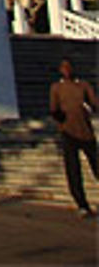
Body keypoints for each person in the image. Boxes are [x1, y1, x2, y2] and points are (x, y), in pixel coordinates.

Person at [49, 57, 98, 216]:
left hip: (86, 132)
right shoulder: (56, 88)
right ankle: (82, 204)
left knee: (96, 165)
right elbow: (54, 107)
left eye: (68, 67)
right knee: (73, 170)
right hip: (68, 132)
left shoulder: (83, 85)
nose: (66, 70)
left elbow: (94, 102)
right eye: (63, 68)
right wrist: (59, 117)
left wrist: (91, 107)